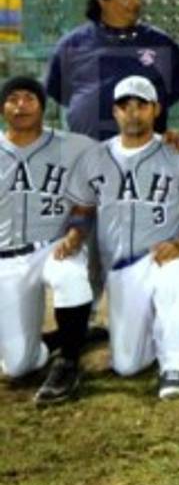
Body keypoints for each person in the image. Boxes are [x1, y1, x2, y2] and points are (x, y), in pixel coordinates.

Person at [58, 76, 179, 399]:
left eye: (141, 105)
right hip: (120, 268)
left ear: (156, 110)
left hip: (166, 253)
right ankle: (163, 329)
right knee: (127, 364)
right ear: (114, 112)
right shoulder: (95, 157)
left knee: (176, 278)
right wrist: (74, 235)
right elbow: (83, 210)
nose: (133, 113)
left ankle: (175, 364)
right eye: (125, 106)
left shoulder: (177, 152)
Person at [0, 77, 94, 404]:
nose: (21, 105)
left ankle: (69, 359)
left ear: (42, 106)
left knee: (71, 275)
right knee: (18, 366)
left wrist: (76, 231)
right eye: (13, 99)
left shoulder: (73, 146)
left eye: (29, 98)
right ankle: (57, 339)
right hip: (6, 260)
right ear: (2, 108)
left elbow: (128, 145)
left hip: (53, 245)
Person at [45, 0, 179, 141]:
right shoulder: (72, 45)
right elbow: (58, 91)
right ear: (102, 0)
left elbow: (174, 90)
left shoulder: (162, 44)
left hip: (143, 154)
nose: (135, 2)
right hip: (88, 152)